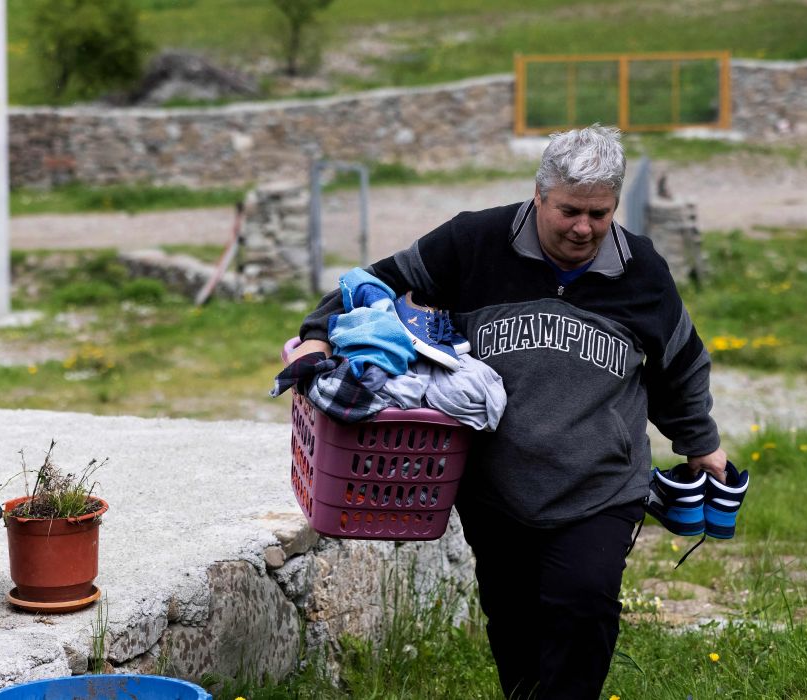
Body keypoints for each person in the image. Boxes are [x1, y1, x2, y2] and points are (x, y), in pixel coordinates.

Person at [288, 124, 727, 699]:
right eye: (569, 210)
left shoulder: (640, 270)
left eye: (600, 213)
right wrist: (319, 338)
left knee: (584, 604)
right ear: (538, 195)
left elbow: (680, 364)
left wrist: (701, 443)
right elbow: (368, 285)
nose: (584, 228)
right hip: (495, 484)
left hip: (601, 484)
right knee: (513, 617)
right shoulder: (475, 241)